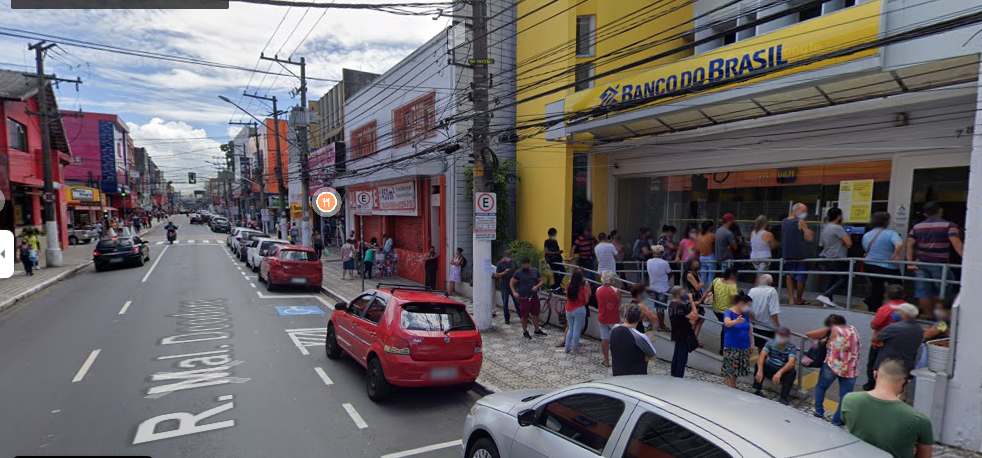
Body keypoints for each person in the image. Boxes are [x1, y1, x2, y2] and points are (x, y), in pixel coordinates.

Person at [842, 358, 935, 458]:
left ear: (875, 374)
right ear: (905, 382)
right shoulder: (919, 419)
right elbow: (925, 454)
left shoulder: (849, 400)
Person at [907, 201, 963, 317]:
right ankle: (939, 314)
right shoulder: (949, 225)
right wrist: (966, 258)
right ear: (940, 211)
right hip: (940, 263)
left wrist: (909, 262)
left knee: (923, 290)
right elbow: (956, 242)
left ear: (925, 214)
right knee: (943, 288)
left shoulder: (917, 227)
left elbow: (909, 244)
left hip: (920, 263)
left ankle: (928, 315)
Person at [807, 314, 861, 426]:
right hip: (851, 368)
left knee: (821, 387)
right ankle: (836, 421)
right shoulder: (853, 328)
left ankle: (819, 412)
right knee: (845, 396)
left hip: (833, 366)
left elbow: (809, 334)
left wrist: (825, 338)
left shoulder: (832, 329)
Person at [863, 284, 905, 390]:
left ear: (887, 295)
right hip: (899, 343)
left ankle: (872, 388)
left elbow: (874, 325)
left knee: (874, 368)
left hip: (880, 343)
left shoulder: (885, 309)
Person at [862, 212, 904, 312]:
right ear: (887, 222)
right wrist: (896, 253)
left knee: (877, 287)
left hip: (870, 265)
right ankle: (896, 310)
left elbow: (865, 249)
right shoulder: (890, 233)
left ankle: (874, 307)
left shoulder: (867, 235)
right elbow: (899, 243)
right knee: (897, 287)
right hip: (888, 266)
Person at [872, 302, 924, 372]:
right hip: (907, 366)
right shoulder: (919, 329)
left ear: (905, 314)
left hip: (888, 366)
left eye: (898, 311)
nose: (895, 313)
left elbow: (875, 339)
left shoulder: (894, 327)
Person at [817, 207, 853, 308]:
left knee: (831, 278)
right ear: (838, 216)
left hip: (826, 256)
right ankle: (825, 296)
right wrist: (844, 240)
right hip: (837, 256)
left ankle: (827, 301)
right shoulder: (837, 228)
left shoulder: (826, 227)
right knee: (844, 279)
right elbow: (849, 243)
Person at [754, 326, 799, 405]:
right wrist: (760, 370)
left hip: (782, 370)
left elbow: (791, 362)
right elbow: (762, 355)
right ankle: (757, 390)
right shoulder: (770, 343)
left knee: (792, 373)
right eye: (779, 335)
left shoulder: (791, 347)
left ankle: (783, 398)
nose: (780, 338)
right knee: (758, 365)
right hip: (770, 366)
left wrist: (780, 372)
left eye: (782, 336)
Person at [782, 203, 815, 305]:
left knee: (789, 275)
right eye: (803, 211)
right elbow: (809, 238)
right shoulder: (800, 221)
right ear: (796, 211)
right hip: (800, 254)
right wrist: (808, 231)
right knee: (801, 276)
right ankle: (799, 298)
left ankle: (791, 298)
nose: (805, 214)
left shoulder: (784, 221)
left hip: (787, 253)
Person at [700, 267, 739, 355]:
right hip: (727, 310)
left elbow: (707, 291)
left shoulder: (716, 280)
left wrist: (700, 301)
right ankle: (725, 348)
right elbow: (733, 300)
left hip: (716, 309)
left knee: (725, 327)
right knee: (727, 328)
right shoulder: (732, 284)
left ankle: (723, 348)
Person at [610, 305, 656, 376]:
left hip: (617, 373)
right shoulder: (640, 337)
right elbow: (653, 356)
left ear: (625, 316)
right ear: (639, 319)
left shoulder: (614, 329)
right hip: (636, 377)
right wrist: (647, 357)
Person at [722, 293, 755, 389]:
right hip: (732, 345)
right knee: (730, 367)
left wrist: (751, 344)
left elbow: (749, 330)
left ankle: (733, 385)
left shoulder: (745, 314)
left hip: (744, 345)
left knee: (736, 368)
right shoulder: (729, 312)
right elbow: (727, 323)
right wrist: (736, 321)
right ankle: (730, 386)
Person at [510, 258, 548, 340]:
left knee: (536, 314)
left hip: (534, 296)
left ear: (529, 263)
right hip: (524, 298)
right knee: (524, 315)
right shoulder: (518, 273)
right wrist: (514, 292)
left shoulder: (535, 271)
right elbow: (512, 282)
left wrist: (537, 286)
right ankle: (525, 331)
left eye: (526, 264)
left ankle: (537, 330)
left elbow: (541, 281)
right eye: (523, 264)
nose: (524, 265)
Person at [668, 285, 698, 378]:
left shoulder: (671, 305)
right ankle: (678, 378)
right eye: (683, 293)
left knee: (676, 357)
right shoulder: (680, 306)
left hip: (677, 334)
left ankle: (673, 375)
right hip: (684, 335)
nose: (685, 295)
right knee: (681, 359)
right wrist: (692, 301)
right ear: (677, 295)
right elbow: (695, 316)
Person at [748, 274, 782, 352]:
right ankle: (765, 362)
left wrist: (751, 318)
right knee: (770, 348)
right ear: (770, 282)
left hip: (756, 324)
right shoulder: (772, 291)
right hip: (769, 326)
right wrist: (778, 325)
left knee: (760, 347)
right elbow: (773, 311)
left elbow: (746, 307)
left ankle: (761, 362)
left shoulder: (752, 290)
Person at [596, 271, 621, 368]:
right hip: (614, 317)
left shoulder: (598, 290)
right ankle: (617, 359)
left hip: (602, 317)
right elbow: (618, 303)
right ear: (611, 279)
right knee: (616, 340)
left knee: (604, 339)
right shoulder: (616, 291)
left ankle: (606, 360)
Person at [646, 245, 672, 332]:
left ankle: (660, 324)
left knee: (657, 307)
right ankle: (661, 325)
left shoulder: (649, 261)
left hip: (653, 287)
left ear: (653, 252)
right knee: (661, 308)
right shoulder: (664, 263)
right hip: (663, 288)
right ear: (662, 253)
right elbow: (670, 274)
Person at [564, 271, 591, 354]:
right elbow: (586, 300)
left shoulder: (569, 287)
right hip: (579, 310)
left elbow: (566, 294)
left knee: (570, 329)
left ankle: (567, 347)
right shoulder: (583, 289)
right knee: (577, 330)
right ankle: (575, 348)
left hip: (568, 309)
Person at [681, 258, 706, 341]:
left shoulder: (696, 273)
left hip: (697, 296)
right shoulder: (689, 274)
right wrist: (700, 284)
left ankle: (694, 338)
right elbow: (698, 287)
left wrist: (700, 284)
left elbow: (701, 283)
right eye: (695, 264)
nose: (697, 265)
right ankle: (693, 339)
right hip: (693, 297)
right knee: (696, 319)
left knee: (699, 318)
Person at [494, 250, 520, 324]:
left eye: (510, 256)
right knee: (505, 303)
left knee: (517, 302)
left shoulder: (513, 262)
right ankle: (507, 319)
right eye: (508, 256)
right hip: (504, 286)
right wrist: (504, 272)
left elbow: (517, 271)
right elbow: (497, 274)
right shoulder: (500, 263)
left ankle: (522, 317)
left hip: (514, 286)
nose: (510, 257)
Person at [697, 220, 716, 286]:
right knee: (711, 277)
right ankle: (710, 292)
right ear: (710, 227)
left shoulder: (699, 235)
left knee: (703, 277)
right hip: (710, 256)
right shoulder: (712, 236)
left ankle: (702, 292)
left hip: (701, 257)